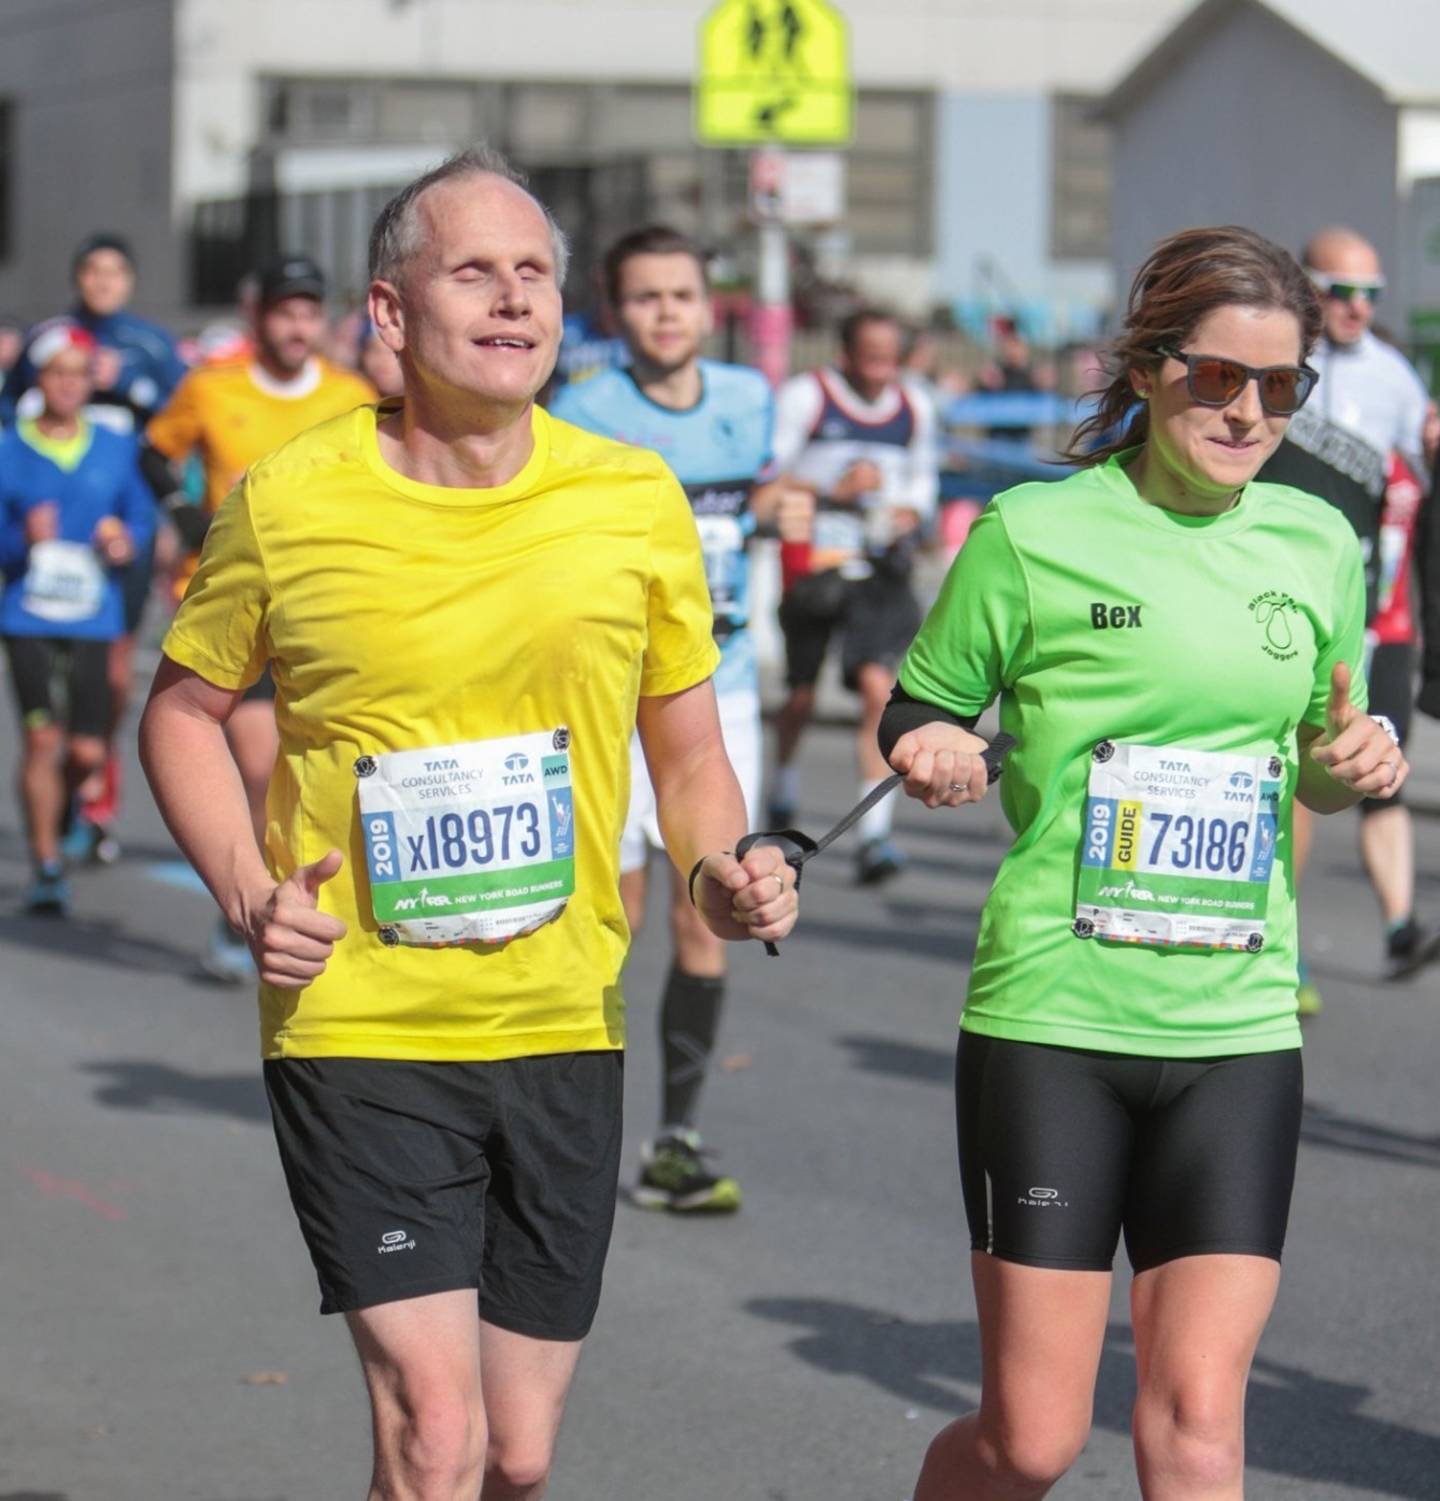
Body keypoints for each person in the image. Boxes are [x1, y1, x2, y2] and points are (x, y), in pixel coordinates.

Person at [139, 148, 797, 1501]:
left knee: (522, 1454)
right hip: (360, 1020)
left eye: (536, 274)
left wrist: (722, 864)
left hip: (561, 1016)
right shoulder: (291, 497)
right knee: (435, 1438)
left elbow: (685, 747)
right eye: (474, 272)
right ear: (389, 313)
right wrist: (249, 892)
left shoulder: (631, 500)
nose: (514, 302)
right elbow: (181, 712)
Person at [878, 225, 1403, 1501]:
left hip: (1236, 1025)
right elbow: (913, 709)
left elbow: (1321, 756)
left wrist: (1358, 760)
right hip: (1057, 1017)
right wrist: (935, 741)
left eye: (1282, 389)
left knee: (1200, 1429)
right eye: (1220, 378)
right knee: (1032, 1441)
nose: (1248, 413)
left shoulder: (1317, 546)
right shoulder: (1033, 533)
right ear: (1152, 366)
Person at [551, 224, 811, 1213]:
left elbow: (764, 497)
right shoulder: (584, 408)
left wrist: (783, 506)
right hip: (612, 697)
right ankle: (577, 1135)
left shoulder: (747, 402)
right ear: (617, 313)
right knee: (608, 922)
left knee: (711, 910)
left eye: (684, 295)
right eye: (648, 297)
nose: (668, 312)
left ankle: (676, 1139)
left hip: (721, 684)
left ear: (711, 307)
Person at [142, 254, 375, 980]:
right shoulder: (212, 388)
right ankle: (246, 900)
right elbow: (154, 451)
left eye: (309, 311)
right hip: (233, 608)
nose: (297, 325)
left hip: (326, 605)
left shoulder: (352, 393)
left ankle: (316, 901)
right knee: (257, 760)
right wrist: (185, 513)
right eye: (284, 311)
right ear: (258, 318)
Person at [1259, 227, 1440, 996]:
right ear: (1308, 286)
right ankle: (1280, 943)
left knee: (1375, 766)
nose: (1356, 309)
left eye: (1370, 295)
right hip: (1275, 592)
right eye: (1340, 291)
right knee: (1293, 769)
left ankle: (1399, 924)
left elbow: (1419, 491)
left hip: (1370, 606)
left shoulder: (1397, 379)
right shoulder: (1273, 358)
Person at [2, 234, 187, 864]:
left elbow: (175, 428)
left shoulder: (150, 345)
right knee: (41, 722)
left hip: (112, 531)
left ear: (129, 281)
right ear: (77, 277)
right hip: (41, 561)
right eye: (92, 270)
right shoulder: (47, 338)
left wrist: (151, 527)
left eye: (115, 272)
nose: (102, 282)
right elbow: (10, 413)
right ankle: (53, 831)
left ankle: (93, 777)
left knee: (111, 675)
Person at [768, 308, 939, 883]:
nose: (880, 369)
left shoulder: (915, 406)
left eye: (890, 358)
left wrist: (909, 509)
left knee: (877, 689)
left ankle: (874, 836)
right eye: (870, 356)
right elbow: (769, 478)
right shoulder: (806, 397)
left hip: (879, 568)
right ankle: (784, 787)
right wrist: (832, 493)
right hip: (814, 567)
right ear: (845, 353)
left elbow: (923, 481)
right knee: (799, 698)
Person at [1, 321, 154, 913]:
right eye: (58, 373)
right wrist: (20, 540)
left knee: (87, 753)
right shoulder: (11, 448)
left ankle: (62, 809)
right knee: (43, 738)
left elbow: (139, 516)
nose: (69, 385)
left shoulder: (114, 447)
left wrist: (125, 542)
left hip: (94, 613)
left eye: (79, 374)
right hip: (26, 614)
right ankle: (46, 865)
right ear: (40, 380)